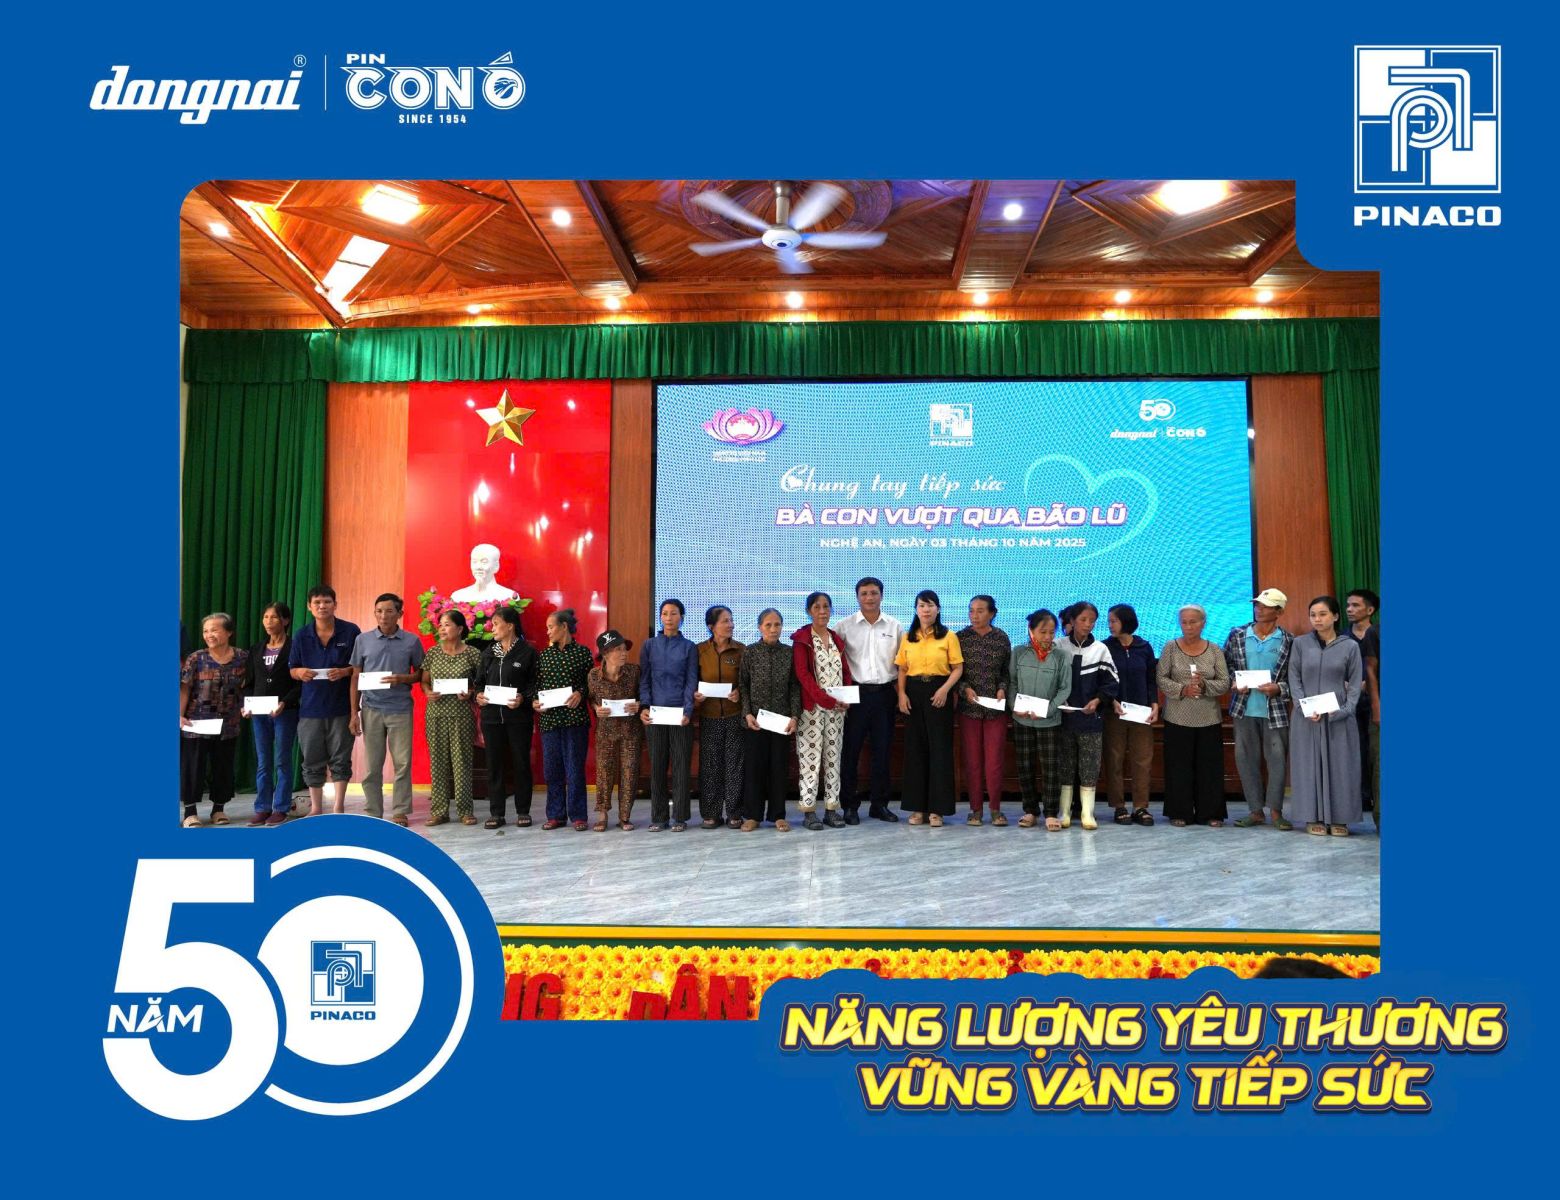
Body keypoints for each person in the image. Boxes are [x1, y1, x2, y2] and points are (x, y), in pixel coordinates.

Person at [349, 593, 426, 827]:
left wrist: (403, 678)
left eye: (389, 611)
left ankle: (400, 811)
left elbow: (421, 674)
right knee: (372, 765)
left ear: (400, 614)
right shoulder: (362, 640)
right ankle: (373, 811)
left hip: (400, 709)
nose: (383, 616)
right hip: (371, 709)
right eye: (379, 611)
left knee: (402, 763)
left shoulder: (411, 641)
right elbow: (355, 677)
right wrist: (354, 713)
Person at [1289, 595, 1364, 837]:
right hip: (1307, 718)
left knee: (1341, 767)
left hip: (1337, 717)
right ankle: (1312, 816)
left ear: (1335, 616)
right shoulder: (1300, 644)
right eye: (1313, 615)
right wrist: (1303, 708)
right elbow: (1294, 679)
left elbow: (1355, 684)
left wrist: (1345, 710)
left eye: (1322, 614)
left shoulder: (1350, 646)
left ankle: (1341, 818)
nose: (1317, 619)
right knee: (1307, 767)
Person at [1225, 588, 1295, 830]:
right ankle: (1255, 811)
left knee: (1277, 761)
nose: (1259, 609)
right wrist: (1233, 683)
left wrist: (1279, 688)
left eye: (1265, 606)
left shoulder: (1288, 640)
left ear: (1279, 611)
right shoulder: (1237, 635)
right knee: (1245, 760)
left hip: (1275, 712)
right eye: (1257, 604)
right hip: (1243, 709)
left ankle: (1276, 812)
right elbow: (1225, 666)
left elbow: (1295, 678)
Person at [835, 576, 903, 823]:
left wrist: (900, 694)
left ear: (881, 595)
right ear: (857, 597)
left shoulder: (895, 626)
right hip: (855, 695)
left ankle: (879, 805)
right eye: (864, 593)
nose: (869, 598)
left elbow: (902, 665)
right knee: (850, 753)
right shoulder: (844, 626)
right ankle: (849, 806)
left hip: (885, 694)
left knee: (882, 752)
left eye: (874, 593)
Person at [1157, 604, 1231, 827]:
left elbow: (1224, 682)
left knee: (1209, 768)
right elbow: (1161, 678)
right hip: (1177, 717)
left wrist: (1205, 685)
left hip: (1209, 718)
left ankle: (1211, 813)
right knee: (1178, 767)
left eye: (1193, 622)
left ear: (1203, 623)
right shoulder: (1170, 647)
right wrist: (1183, 690)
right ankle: (1179, 812)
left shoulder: (1214, 650)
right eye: (1184, 622)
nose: (1188, 626)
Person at [289, 585, 361, 817]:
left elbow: (360, 667)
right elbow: (292, 669)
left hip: (341, 707)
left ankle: (339, 807)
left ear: (335, 605)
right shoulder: (301, 635)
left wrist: (344, 671)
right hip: (310, 710)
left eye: (327, 602)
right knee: (312, 760)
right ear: (309, 607)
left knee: (341, 759)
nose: (322, 606)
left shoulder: (350, 631)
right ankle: (317, 807)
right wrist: (300, 673)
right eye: (317, 602)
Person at [896, 589, 964, 826]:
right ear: (916, 610)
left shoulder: (949, 636)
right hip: (913, 693)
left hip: (939, 692)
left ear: (938, 609)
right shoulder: (908, 637)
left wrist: (945, 690)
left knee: (940, 751)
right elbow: (902, 669)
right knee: (915, 750)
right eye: (922, 606)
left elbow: (957, 668)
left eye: (930, 605)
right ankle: (917, 809)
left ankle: (938, 810)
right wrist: (901, 694)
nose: (926, 610)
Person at [1052, 601, 1119, 829]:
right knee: (1065, 765)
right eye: (1083, 619)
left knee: (1090, 766)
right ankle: (1064, 812)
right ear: (1071, 620)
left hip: (1091, 720)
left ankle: (1087, 813)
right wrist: (1059, 699)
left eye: (1092, 621)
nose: (1088, 624)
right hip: (1063, 719)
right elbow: (1049, 679)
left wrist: (1098, 700)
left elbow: (1112, 683)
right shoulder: (1058, 645)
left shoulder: (1101, 649)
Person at [179, 613, 249, 827]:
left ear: (229, 632)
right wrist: (179, 715)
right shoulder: (196, 658)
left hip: (228, 724)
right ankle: (190, 812)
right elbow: (184, 688)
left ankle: (218, 809)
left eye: (214, 630)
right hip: (196, 723)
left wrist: (247, 706)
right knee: (193, 768)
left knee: (223, 768)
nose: (209, 634)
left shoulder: (242, 657)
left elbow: (247, 687)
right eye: (206, 631)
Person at [1008, 609, 1073, 831]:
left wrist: (1048, 709)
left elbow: (1065, 689)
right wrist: (1014, 706)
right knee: (1025, 766)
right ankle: (1030, 811)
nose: (1047, 636)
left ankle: (1051, 813)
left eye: (1051, 632)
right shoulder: (1019, 652)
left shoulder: (1061, 656)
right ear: (1031, 631)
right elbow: (1012, 682)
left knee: (1051, 768)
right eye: (1042, 631)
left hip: (1050, 721)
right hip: (1022, 720)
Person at [792, 591, 852, 829]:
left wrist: (846, 696)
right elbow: (803, 675)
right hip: (812, 710)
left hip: (837, 710)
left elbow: (845, 671)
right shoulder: (802, 639)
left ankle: (831, 809)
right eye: (817, 607)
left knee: (833, 758)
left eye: (826, 606)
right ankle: (809, 811)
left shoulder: (836, 639)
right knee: (810, 760)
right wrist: (824, 699)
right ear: (809, 611)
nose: (822, 611)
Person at [476, 605, 538, 829]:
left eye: (496, 624)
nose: (492, 628)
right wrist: (479, 696)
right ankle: (497, 813)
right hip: (491, 718)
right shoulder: (488, 653)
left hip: (519, 718)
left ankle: (523, 811)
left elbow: (535, 684)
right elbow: (479, 683)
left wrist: (523, 697)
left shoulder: (527, 652)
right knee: (494, 765)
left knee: (521, 763)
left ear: (510, 626)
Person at [639, 598, 698, 832]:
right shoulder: (649, 646)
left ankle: (680, 817)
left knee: (681, 766)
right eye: (665, 613)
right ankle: (659, 817)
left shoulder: (689, 647)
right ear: (660, 617)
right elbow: (645, 679)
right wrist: (644, 706)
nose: (669, 618)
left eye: (674, 613)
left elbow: (691, 681)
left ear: (681, 618)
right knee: (657, 767)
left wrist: (688, 710)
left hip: (680, 715)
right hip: (655, 715)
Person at [740, 608, 801, 832]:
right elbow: (743, 685)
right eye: (768, 625)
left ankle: (777, 815)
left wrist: (794, 715)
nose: (773, 629)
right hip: (756, 721)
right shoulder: (750, 652)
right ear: (760, 628)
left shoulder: (788, 653)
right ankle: (752, 815)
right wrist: (747, 713)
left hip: (781, 721)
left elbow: (794, 687)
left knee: (778, 768)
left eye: (777, 625)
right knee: (754, 769)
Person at [420, 609, 482, 826]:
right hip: (436, 714)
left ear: (460, 628)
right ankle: (439, 811)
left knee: (462, 762)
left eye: (447, 625)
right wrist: (428, 692)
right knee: (437, 763)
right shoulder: (433, 653)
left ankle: (465, 811)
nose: (442, 629)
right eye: (440, 625)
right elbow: (424, 681)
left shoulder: (472, 653)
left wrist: (470, 693)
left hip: (461, 714)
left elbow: (481, 683)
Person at [534, 608, 594, 831]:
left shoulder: (582, 653)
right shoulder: (544, 655)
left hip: (574, 719)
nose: (548, 631)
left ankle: (578, 816)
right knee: (552, 769)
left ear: (564, 627)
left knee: (575, 768)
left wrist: (581, 693)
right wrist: (534, 701)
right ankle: (555, 815)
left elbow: (591, 683)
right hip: (550, 720)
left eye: (551, 627)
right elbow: (536, 685)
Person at [243, 601, 301, 826]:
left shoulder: (294, 646)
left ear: (285, 620)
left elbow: (299, 682)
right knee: (263, 761)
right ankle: (262, 807)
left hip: (285, 712)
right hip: (259, 713)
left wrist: (285, 702)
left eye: (274, 617)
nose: (268, 622)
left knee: (282, 760)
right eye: (266, 617)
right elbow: (249, 682)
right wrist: (246, 704)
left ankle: (281, 808)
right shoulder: (256, 649)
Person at [957, 594, 1011, 825]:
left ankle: (996, 809)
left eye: (980, 611)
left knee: (994, 760)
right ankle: (975, 810)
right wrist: (965, 689)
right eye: (971, 610)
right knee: (973, 761)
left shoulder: (1001, 638)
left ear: (992, 613)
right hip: (969, 708)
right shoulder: (960, 638)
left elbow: (1006, 672)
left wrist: (1002, 689)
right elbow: (954, 671)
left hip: (995, 709)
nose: (974, 615)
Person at [1102, 603, 1158, 826]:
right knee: (1114, 759)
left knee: (1142, 760)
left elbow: (1151, 679)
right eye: (1109, 621)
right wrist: (1111, 701)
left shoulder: (1144, 647)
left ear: (1126, 621)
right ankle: (1119, 806)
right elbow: (1102, 679)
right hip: (1114, 712)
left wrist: (1154, 704)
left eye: (1113, 621)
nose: (1110, 625)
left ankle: (1140, 806)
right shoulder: (1105, 647)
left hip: (1141, 713)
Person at [695, 605, 745, 829]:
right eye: (725, 621)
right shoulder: (699, 651)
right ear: (711, 626)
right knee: (710, 766)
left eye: (731, 620)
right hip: (709, 715)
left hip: (734, 715)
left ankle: (735, 812)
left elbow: (747, 682)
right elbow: (692, 680)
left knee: (735, 765)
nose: (730, 624)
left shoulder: (741, 650)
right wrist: (695, 695)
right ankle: (711, 813)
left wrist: (739, 693)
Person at [587, 629, 641, 831]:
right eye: (618, 649)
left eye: (624, 649)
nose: (624, 653)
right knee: (604, 772)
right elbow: (591, 699)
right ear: (605, 653)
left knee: (629, 772)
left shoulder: (634, 672)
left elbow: (643, 695)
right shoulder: (593, 675)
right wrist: (596, 708)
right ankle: (602, 814)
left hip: (630, 731)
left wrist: (639, 705)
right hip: (605, 731)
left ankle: (625, 816)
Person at [1346, 588, 1381, 829]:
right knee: (1355, 752)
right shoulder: (1341, 637)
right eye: (1348, 605)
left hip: (1372, 703)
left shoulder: (1376, 634)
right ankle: (1359, 800)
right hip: (1349, 705)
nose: (1350, 609)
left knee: (1375, 753)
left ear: (1370, 610)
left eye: (1356, 605)